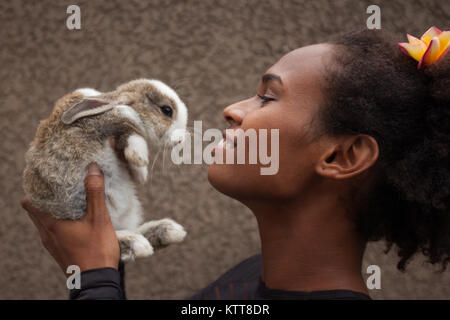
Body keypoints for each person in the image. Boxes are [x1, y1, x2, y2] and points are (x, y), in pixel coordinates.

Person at [21, 29, 449, 300]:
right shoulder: (246, 284)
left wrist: (94, 280)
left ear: (342, 156)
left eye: (267, 96)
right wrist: (107, 259)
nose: (231, 109)